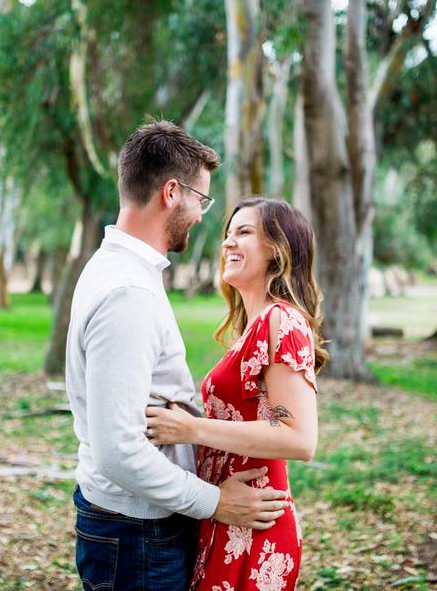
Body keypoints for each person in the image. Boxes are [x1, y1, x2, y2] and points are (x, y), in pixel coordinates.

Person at [65, 122, 290, 591]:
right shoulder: (128, 291)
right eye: (201, 200)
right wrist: (214, 502)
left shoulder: (118, 269)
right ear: (172, 192)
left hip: (134, 527)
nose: (204, 215)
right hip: (138, 534)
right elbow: (118, 451)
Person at [146, 197, 327, 591]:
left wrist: (190, 429)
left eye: (244, 233)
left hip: (254, 523)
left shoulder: (283, 321)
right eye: (228, 234)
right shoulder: (253, 326)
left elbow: (298, 437)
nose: (228, 242)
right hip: (226, 513)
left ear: (277, 250)